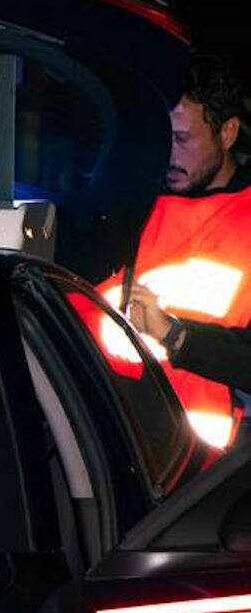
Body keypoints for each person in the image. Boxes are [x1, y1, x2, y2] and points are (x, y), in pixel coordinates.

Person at [96, 57, 251, 449]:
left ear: (228, 132)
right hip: (113, 447)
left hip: (211, 468)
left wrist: (175, 337)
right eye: (162, 137)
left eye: (182, 140)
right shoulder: (128, 203)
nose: (169, 154)